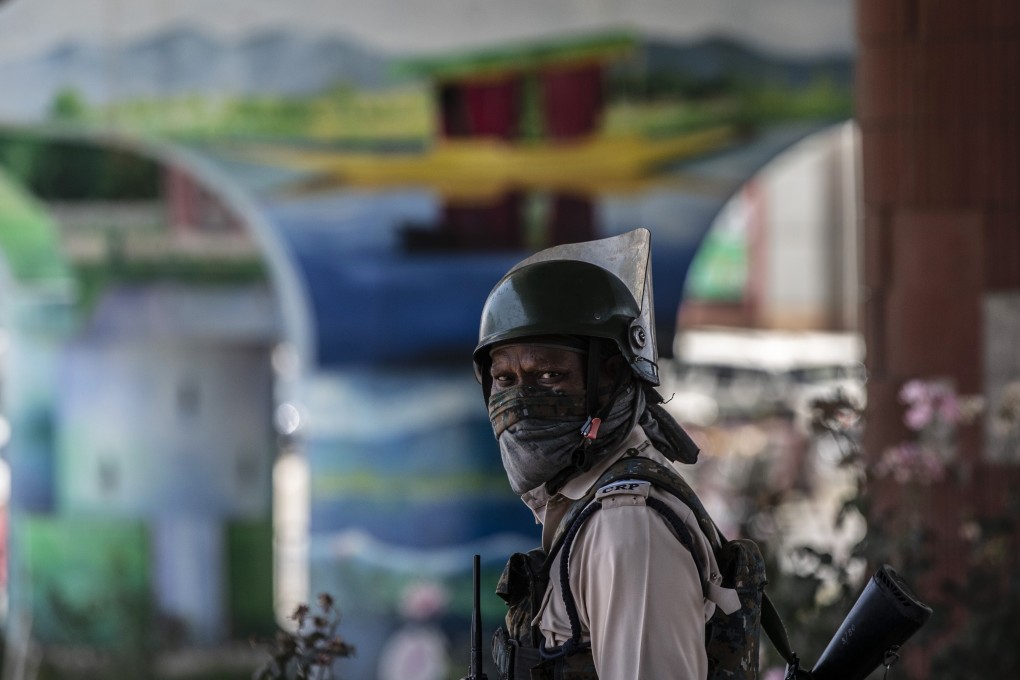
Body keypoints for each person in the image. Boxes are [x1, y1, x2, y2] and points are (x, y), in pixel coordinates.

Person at [473, 229, 740, 680]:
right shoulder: (583, 506)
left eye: (550, 375)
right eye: (505, 379)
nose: (521, 402)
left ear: (611, 376)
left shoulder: (626, 526)